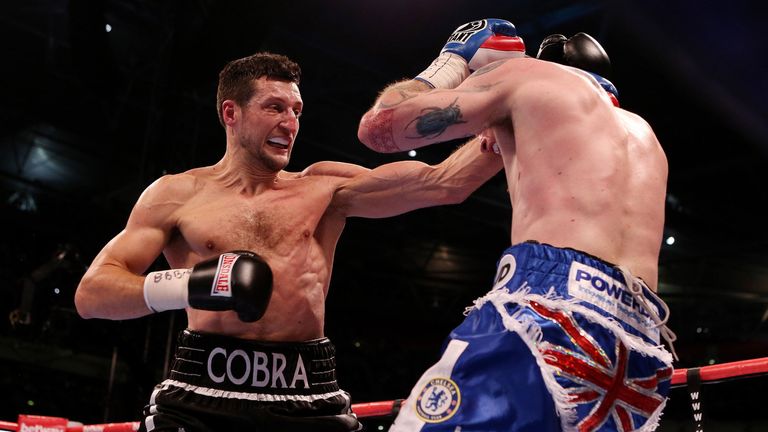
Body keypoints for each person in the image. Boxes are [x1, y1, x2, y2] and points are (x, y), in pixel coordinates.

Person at [74, 51, 505, 432]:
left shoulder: (324, 188)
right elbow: (92, 294)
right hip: (200, 393)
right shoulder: (177, 194)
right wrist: (190, 285)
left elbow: (443, 184)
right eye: (275, 107)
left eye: (297, 110)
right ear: (231, 113)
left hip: (308, 392)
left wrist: (511, 109)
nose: (291, 123)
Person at [358, 19, 677, 432]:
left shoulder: (525, 75)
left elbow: (380, 128)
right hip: (638, 349)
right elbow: (450, 182)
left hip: (549, 308)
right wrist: (496, 128)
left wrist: (453, 60)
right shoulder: (644, 134)